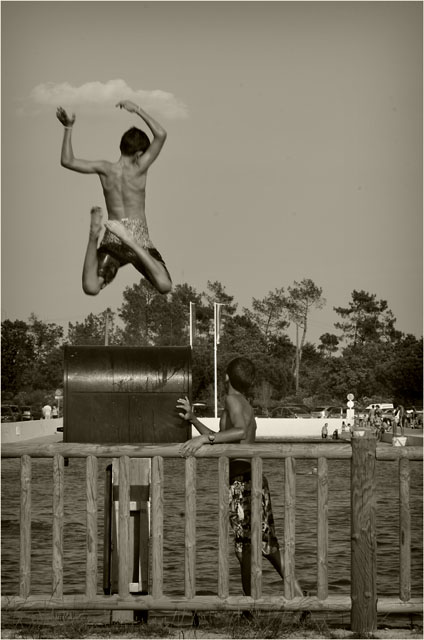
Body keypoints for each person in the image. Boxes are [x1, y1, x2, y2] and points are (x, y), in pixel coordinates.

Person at [177, 356, 303, 600]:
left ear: (226, 377)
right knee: (265, 546)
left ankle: (251, 606)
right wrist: (194, 421)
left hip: (242, 481)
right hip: (252, 479)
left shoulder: (232, 400)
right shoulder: (243, 403)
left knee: (246, 547)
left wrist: (204, 439)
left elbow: (239, 432)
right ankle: (298, 598)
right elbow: (226, 438)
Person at [56, 101, 172, 296]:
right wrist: (137, 109)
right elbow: (161, 134)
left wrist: (68, 127)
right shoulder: (139, 168)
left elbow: (67, 161)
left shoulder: (105, 169)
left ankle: (93, 236)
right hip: (139, 238)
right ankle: (131, 242)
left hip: (113, 235)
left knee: (91, 287)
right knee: (165, 286)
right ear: (139, 154)